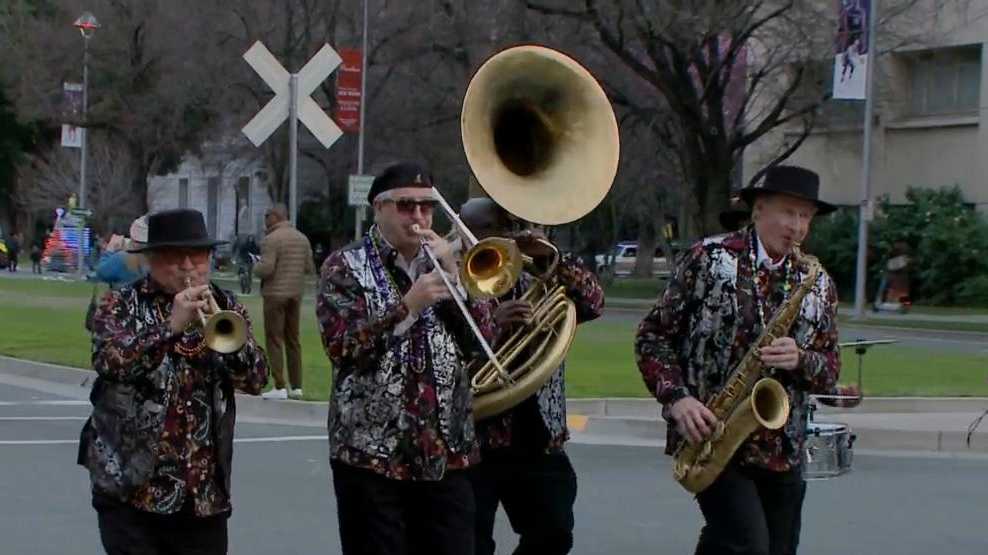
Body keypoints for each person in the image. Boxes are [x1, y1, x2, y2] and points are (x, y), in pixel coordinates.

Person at [635, 165, 841, 555]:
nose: (797, 227)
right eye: (788, 213)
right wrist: (678, 398)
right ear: (758, 209)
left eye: (805, 217)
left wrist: (801, 360)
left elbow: (830, 371)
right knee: (748, 546)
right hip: (713, 435)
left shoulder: (817, 283)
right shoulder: (708, 259)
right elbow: (652, 336)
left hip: (783, 447)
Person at [316, 162, 494, 555]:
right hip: (372, 456)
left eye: (426, 207)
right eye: (406, 206)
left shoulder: (447, 262)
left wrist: (456, 275)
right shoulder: (343, 266)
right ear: (379, 209)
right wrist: (407, 307)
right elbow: (342, 349)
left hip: (447, 453)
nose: (418, 217)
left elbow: (484, 344)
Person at [77, 208, 268, 555]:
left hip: (202, 495)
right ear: (150, 259)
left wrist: (229, 343)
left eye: (196, 255)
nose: (186, 266)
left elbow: (256, 378)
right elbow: (111, 363)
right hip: (130, 489)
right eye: (172, 256)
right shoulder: (119, 304)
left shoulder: (226, 306)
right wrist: (169, 327)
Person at [459, 198, 604, 555]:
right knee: (470, 542)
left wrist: (550, 255)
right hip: (473, 437)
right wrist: (490, 324)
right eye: (490, 230)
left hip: (538, 433)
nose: (504, 237)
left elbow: (592, 303)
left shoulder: (535, 276)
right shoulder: (448, 282)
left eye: (508, 228)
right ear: (463, 232)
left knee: (554, 533)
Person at [254, 204, 314, 400]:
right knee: (293, 340)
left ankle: (280, 386)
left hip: (274, 295)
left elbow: (266, 269)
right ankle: (297, 387)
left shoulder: (271, 240)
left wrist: (255, 266)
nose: (265, 219)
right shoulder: (302, 238)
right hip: (295, 295)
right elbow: (308, 267)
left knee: (274, 340)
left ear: (276, 217)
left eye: (267, 215)